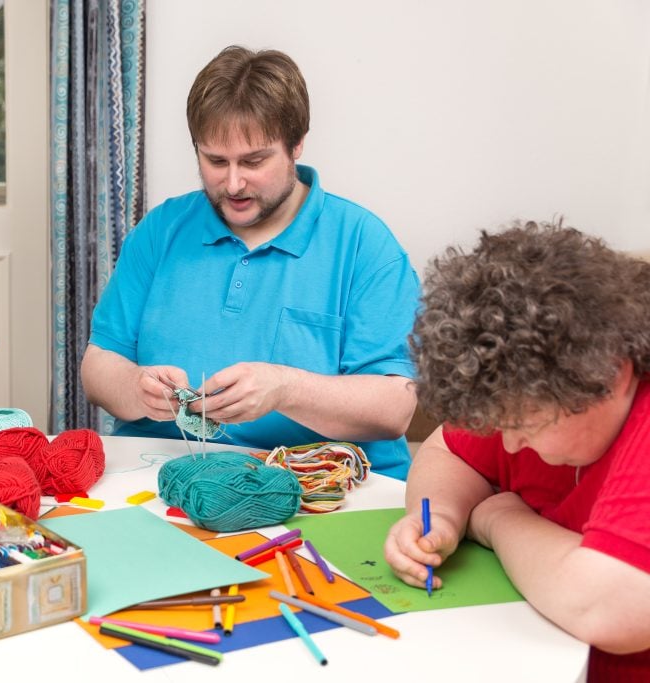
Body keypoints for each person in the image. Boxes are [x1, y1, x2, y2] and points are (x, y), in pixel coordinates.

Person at [81, 46, 419, 478]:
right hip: (161, 479)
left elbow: (395, 408)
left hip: (316, 488)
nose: (234, 183)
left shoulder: (364, 244)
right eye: (215, 161)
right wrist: (136, 389)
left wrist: (284, 388)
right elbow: (99, 366)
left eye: (254, 161)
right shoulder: (162, 229)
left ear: (296, 144)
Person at [383, 221, 650, 680]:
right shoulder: (521, 386)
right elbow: (447, 448)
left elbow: (611, 608)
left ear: (613, 373)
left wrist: (499, 520)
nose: (508, 443)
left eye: (524, 423)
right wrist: (442, 517)